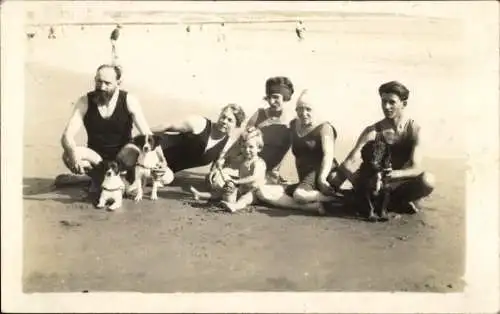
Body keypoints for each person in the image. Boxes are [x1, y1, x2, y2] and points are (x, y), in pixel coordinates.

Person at [328, 81, 435, 215]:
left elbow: (416, 168)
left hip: (398, 183)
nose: (386, 106)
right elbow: (348, 164)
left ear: (404, 104)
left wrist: (392, 175)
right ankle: (384, 202)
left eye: (392, 102)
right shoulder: (373, 131)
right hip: (376, 185)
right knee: (334, 178)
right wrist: (361, 184)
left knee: (428, 180)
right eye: (383, 101)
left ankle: (392, 202)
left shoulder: (414, 130)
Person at [58, 64, 152, 193]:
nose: (102, 87)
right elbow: (66, 136)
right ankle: (100, 179)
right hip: (97, 158)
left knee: (134, 150)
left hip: (123, 157)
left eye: (107, 83)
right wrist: (73, 156)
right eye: (98, 81)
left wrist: (162, 162)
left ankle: (119, 178)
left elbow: (147, 134)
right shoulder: (85, 101)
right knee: (67, 155)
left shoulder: (129, 100)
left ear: (118, 82)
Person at [256, 89, 341, 215]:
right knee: (262, 192)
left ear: (316, 110)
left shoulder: (325, 128)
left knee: (299, 194)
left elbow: (328, 156)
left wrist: (322, 179)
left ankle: (337, 199)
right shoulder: (294, 124)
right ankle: (311, 207)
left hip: (321, 174)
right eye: (299, 109)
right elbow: (285, 149)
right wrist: (274, 171)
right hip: (305, 181)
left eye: (308, 109)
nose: (303, 113)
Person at [220, 76, 295, 184]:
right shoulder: (259, 115)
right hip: (247, 165)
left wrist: (276, 171)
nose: (271, 101)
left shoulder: (291, 122)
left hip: (269, 172)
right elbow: (241, 141)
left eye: (275, 97)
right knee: (220, 181)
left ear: (285, 98)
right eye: (269, 97)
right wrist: (222, 159)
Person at [149, 103, 246, 184]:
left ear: (236, 125)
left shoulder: (225, 145)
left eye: (230, 120)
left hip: (164, 169)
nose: (224, 121)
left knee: (167, 179)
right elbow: (168, 126)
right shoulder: (200, 123)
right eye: (223, 117)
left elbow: (215, 168)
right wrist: (144, 133)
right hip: (153, 150)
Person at [190, 128, 267, 213]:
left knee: (244, 199)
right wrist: (221, 164)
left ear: (259, 148)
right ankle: (200, 195)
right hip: (242, 189)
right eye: (244, 147)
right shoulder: (243, 159)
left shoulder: (258, 163)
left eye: (251, 147)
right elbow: (231, 161)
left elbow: (253, 177)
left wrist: (237, 181)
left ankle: (235, 206)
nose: (247, 150)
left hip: (255, 192)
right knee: (221, 192)